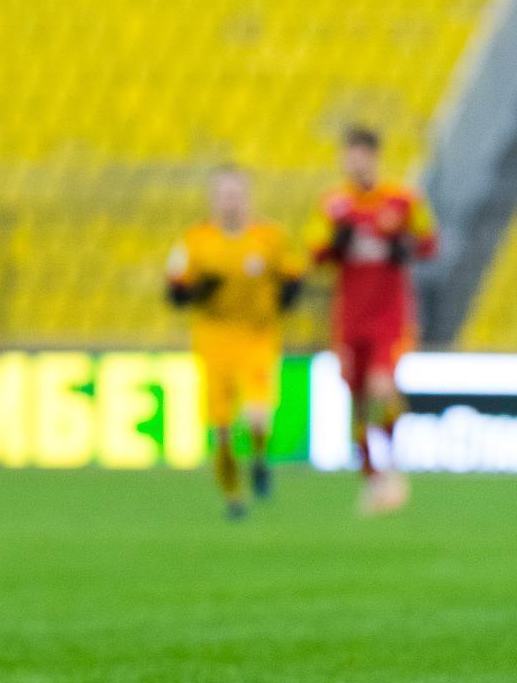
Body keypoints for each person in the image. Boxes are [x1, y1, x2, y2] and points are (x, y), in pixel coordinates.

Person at [306, 126, 437, 515]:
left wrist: (405, 247)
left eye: (362, 156)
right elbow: (314, 253)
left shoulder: (403, 200)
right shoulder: (333, 205)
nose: (356, 163)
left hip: (389, 316)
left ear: (374, 158)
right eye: (350, 157)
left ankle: (393, 466)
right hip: (349, 319)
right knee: (357, 404)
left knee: (382, 388)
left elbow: (429, 243)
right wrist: (335, 244)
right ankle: (371, 477)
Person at [166, 167, 304, 519]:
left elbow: (293, 280)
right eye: (225, 195)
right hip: (214, 339)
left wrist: (280, 303)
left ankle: (258, 459)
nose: (231, 202)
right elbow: (175, 292)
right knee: (222, 428)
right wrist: (197, 292)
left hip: (257, 336)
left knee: (257, 414)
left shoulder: (269, 237)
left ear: (248, 198)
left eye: (237, 194)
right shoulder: (195, 240)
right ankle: (233, 497)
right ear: (214, 199)